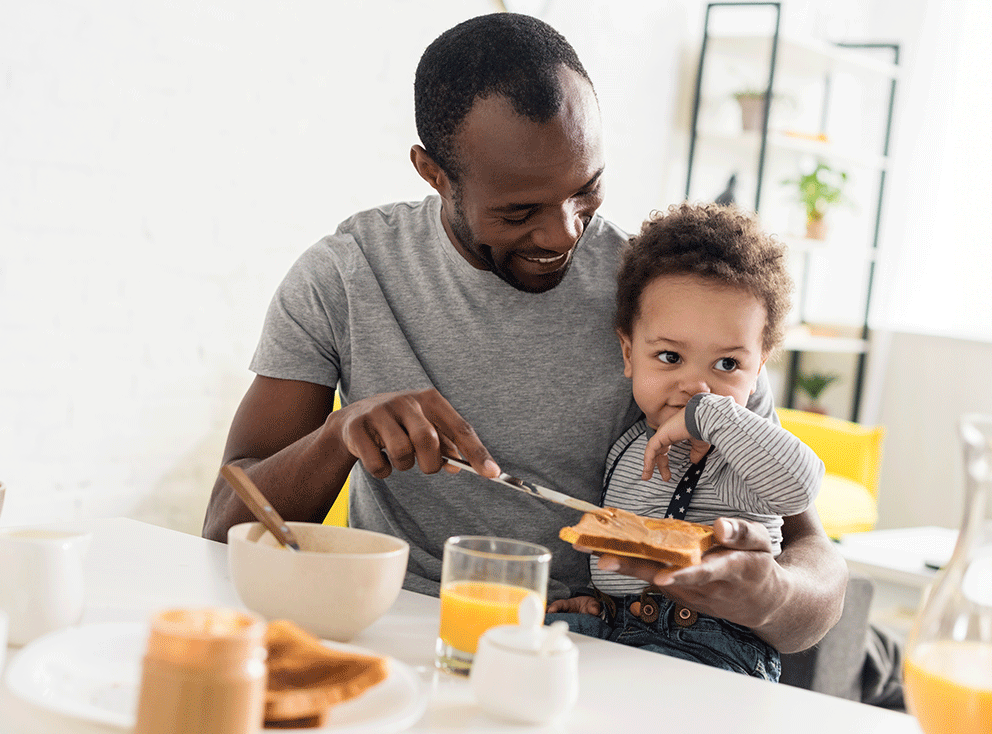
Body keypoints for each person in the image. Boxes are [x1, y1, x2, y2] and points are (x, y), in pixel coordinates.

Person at [203, 12, 847, 655]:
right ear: (434, 173)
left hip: (606, 648)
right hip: (410, 635)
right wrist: (337, 436)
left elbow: (813, 577)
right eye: (519, 211)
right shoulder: (347, 275)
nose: (565, 233)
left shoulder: (665, 298)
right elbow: (224, 529)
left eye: (586, 190)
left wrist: (767, 596)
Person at [544, 202, 823, 680]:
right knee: (535, 639)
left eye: (728, 365)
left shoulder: (742, 453)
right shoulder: (626, 448)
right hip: (621, 628)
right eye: (670, 357)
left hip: (716, 646)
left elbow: (802, 486)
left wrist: (714, 415)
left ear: (759, 369)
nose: (696, 385)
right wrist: (599, 603)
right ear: (629, 354)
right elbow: (618, 564)